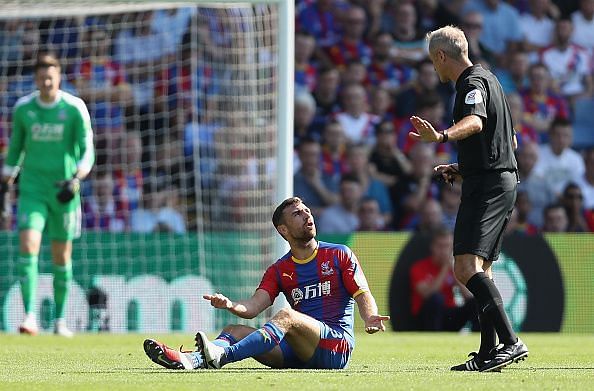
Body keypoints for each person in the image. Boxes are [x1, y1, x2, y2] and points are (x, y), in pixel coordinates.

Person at [143, 196, 389, 370]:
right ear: (283, 230)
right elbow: (252, 308)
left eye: (307, 211)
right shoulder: (280, 269)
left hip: (335, 346)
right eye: (297, 214)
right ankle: (193, 361)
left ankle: (217, 357)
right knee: (232, 330)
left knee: (286, 315)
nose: (307, 216)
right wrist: (230, 304)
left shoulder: (339, 254)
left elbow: (361, 293)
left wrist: (370, 316)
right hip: (298, 352)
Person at [409, 26, 528, 372]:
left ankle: (511, 342)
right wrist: (464, 168)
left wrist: (442, 135)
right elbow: (510, 142)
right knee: (482, 271)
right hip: (498, 179)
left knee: (464, 268)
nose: (435, 68)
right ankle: (489, 352)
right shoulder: (492, 81)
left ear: (442, 56)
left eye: (434, 61)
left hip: (489, 187)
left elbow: (475, 123)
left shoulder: (471, 85)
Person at [0, 53, 95, 337]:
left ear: (59, 78)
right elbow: (16, 148)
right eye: (42, 77)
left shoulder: (74, 108)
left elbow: (86, 148)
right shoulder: (23, 109)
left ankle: (60, 320)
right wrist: (6, 179)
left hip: (63, 191)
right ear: (36, 79)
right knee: (28, 247)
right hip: (32, 189)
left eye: (51, 77)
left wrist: (76, 179)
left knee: (60, 256)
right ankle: (29, 317)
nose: (46, 82)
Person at [409, 227, 478, 331]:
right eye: (440, 246)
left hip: (450, 314)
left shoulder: (456, 268)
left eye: (447, 246)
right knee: (436, 298)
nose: (443, 251)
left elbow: (469, 296)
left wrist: (455, 272)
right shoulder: (419, 267)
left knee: (476, 302)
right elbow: (427, 295)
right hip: (427, 316)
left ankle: (479, 338)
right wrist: (445, 268)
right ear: (432, 247)